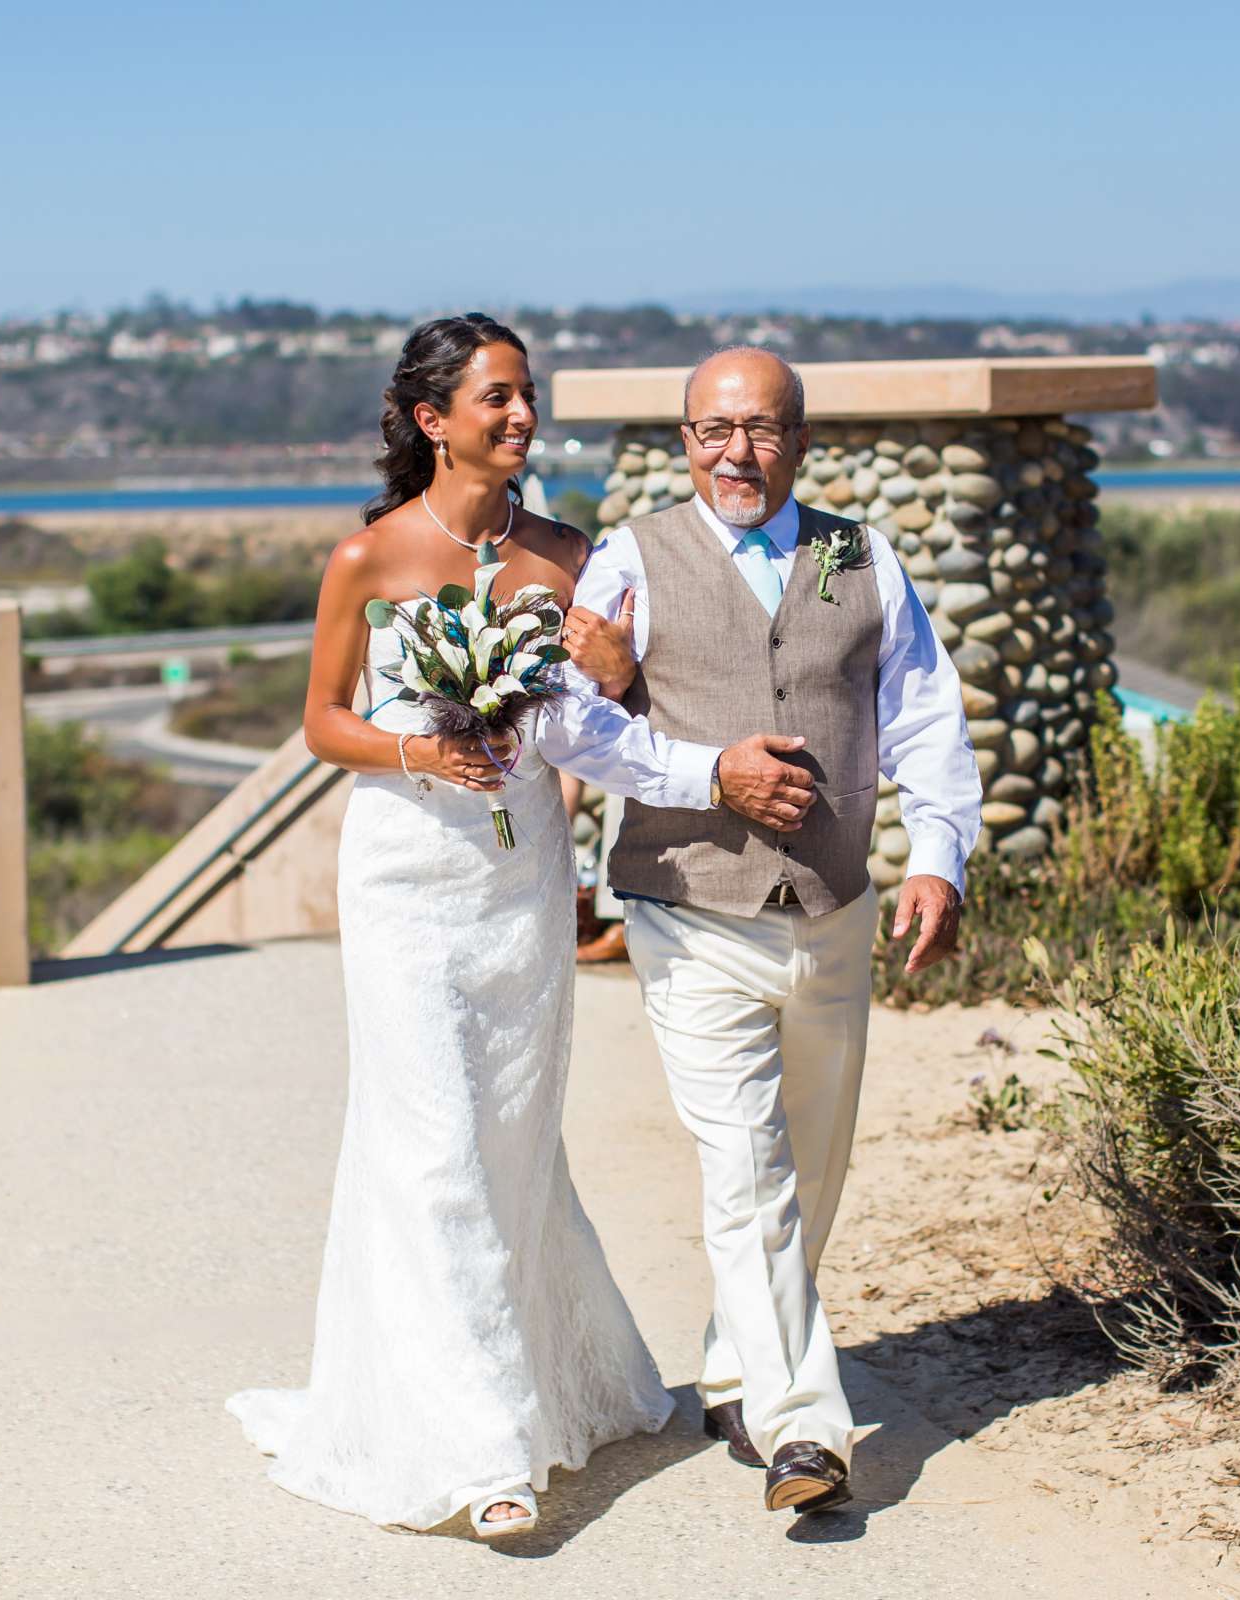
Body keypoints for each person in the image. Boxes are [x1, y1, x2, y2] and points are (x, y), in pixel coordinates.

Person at [227, 314, 720, 1539]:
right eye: (494, 397)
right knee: (435, 1144)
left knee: (508, 1136)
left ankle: (546, 1376)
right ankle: (483, 1445)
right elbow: (322, 722)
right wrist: (418, 747)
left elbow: (615, 708)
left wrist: (610, 671)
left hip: (520, 881)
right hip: (402, 874)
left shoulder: (569, 556)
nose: (519, 414)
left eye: (528, 394)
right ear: (433, 418)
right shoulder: (368, 559)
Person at [562, 346, 981, 1514]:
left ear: (801, 440)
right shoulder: (628, 558)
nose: (734, 452)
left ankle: (738, 1361)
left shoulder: (860, 551)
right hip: (688, 909)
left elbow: (923, 713)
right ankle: (806, 1432)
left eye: (759, 430)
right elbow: (567, 723)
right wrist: (710, 774)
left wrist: (941, 854)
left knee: (811, 1163)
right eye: (711, 429)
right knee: (747, 1166)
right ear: (683, 438)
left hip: (833, 911)